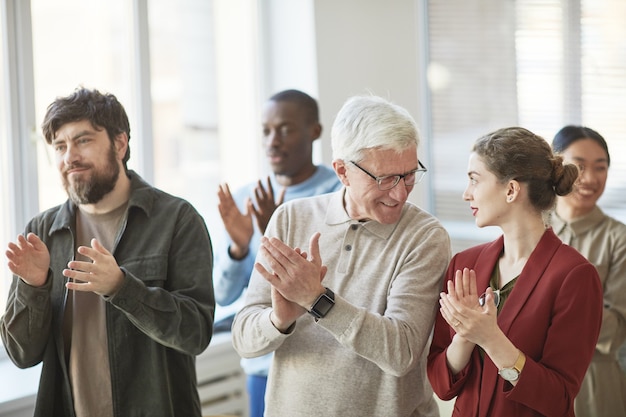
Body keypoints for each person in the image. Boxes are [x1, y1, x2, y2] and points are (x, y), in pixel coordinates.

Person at [231, 94, 451, 417]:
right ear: (342, 172)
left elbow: (401, 352)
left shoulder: (425, 237)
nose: (401, 192)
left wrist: (318, 300)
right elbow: (244, 338)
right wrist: (279, 320)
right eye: (385, 178)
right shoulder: (290, 218)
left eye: (409, 174)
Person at [0, 87, 215, 417]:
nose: (69, 156)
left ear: (120, 143)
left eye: (83, 140)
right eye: (60, 146)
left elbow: (195, 334)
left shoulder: (177, 220)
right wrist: (33, 287)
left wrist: (121, 288)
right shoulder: (41, 232)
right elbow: (21, 354)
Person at [427, 127, 603, 417]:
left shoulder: (575, 276)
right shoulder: (463, 265)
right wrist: (465, 337)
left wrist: (491, 339)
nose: (465, 194)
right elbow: (442, 385)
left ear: (511, 190)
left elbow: (558, 398)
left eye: (474, 180)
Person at [213, 89, 341, 416]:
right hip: (262, 365)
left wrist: (279, 225)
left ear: (314, 132)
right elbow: (223, 295)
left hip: (321, 364)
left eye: (285, 129)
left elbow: (334, 281)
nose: (273, 140)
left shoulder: (337, 195)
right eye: (266, 131)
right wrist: (240, 247)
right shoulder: (248, 197)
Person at [549, 125, 626, 417]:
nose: (591, 178)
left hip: (593, 385)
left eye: (601, 167)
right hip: (527, 371)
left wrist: (548, 310)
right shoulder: (530, 229)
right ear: (556, 166)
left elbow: (616, 329)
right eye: (579, 166)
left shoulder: (618, 239)